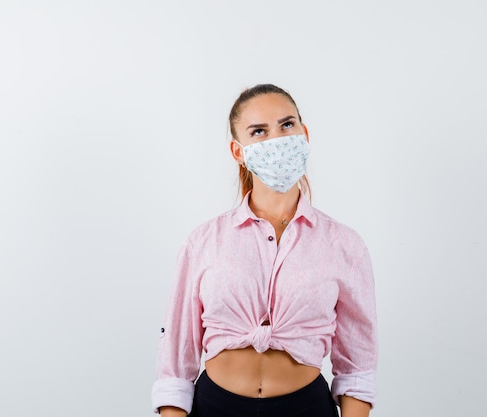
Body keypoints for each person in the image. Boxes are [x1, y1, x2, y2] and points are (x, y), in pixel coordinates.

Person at [151, 84, 378, 417]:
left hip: (306, 408)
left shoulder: (344, 244)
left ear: (305, 134)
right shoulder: (203, 241)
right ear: (238, 151)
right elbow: (175, 359)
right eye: (259, 131)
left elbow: (358, 366)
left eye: (287, 125)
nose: (277, 139)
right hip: (214, 407)